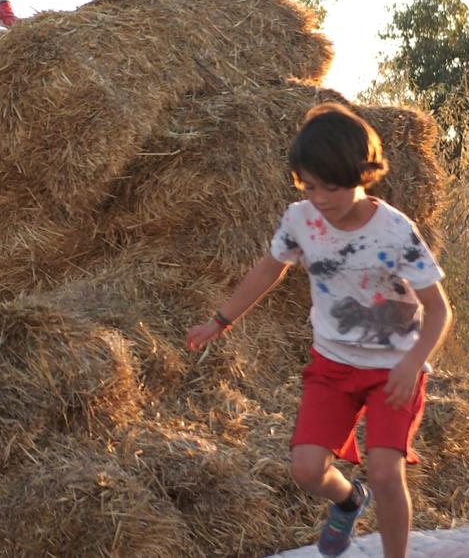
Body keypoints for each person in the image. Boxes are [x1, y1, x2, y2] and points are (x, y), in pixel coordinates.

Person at [186, 103, 453, 558]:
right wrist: (220, 320)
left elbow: (439, 310)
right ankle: (349, 500)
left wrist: (412, 362)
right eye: (310, 186)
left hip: (394, 371)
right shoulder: (299, 220)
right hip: (333, 364)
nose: (322, 198)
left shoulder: (395, 231)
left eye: (332, 186)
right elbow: (268, 270)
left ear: (362, 174)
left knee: (386, 472)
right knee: (306, 471)